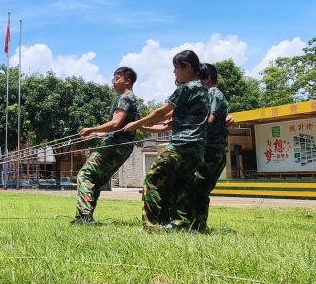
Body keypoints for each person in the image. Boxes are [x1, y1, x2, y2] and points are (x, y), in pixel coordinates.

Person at [123, 50, 209, 229]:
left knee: (152, 179)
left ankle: (151, 225)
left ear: (188, 67)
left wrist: (136, 123)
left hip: (181, 145)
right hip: (197, 149)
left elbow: (161, 111)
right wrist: (145, 125)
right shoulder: (202, 89)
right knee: (180, 186)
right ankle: (178, 223)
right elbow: (168, 117)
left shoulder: (186, 88)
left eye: (176, 68)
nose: (174, 72)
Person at [72, 67, 140, 225]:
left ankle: (84, 217)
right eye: (113, 79)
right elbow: (121, 128)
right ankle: (85, 217)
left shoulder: (125, 98)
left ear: (127, 80)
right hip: (124, 148)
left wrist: (92, 129)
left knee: (85, 175)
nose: (113, 82)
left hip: (113, 145)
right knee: (95, 180)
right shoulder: (133, 99)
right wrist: (97, 134)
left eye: (117, 78)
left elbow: (115, 124)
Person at [183, 63, 230, 231]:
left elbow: (209, 119)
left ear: (207, 77)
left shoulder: (213, 93)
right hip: (214, 148)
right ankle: (198, 225)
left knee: (194, 186)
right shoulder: (213, 94)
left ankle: (189, 224)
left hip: (211, 148)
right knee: (200, 189)